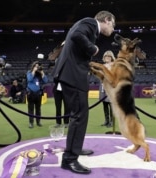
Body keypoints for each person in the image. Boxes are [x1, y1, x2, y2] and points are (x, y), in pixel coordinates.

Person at [51, 10, 115, 174]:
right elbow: (76, 36)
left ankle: (75, 150)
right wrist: (93, 48)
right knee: (79, 116)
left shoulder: (87, 25)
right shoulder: (90, 23)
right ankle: (70, 159)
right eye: (112, 25)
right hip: (72, 76)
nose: (113, 29)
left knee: (79, 115)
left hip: (70, 74)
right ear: (106, 20)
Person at [53, 41, 70, 128]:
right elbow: (54, 75)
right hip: (57, 88)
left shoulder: (69, 59)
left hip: (66, 88)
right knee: (58, 106)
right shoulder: (57, 59)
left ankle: (66, 122)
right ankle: (58, 122)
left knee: (67, 106)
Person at [26, 61, 48, 128]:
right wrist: (33, 71)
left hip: (38, 93)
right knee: (31, 109)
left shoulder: (39, 74)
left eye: (38, 66)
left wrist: (42, 72)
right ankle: (31, 123)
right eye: (36, 66)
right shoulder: (29, 72)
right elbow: (29, 79)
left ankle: (38, 122)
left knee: (38, 109)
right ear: (33, 66)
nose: (37, 67)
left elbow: (46, 81)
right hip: (31, 93)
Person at [99, 50, 115, 127]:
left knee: (111, 105)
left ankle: (111, 122)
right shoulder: (102, 66)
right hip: (103, 87)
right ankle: (106, 120)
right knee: (104, 104)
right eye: (106, 56)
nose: (107, 58)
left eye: (109, 56)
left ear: (112, 58)